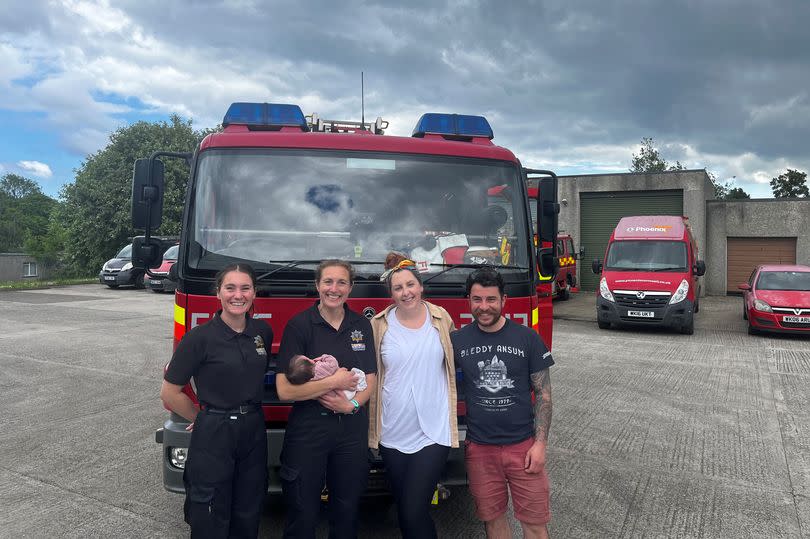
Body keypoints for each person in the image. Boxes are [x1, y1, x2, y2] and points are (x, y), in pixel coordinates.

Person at [160, 263, 273, 539]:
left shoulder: (262, 333)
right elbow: (170, 392)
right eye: (230, 288)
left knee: (249, 504)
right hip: (214, 431)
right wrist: (203, 419)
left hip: (253, 428)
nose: (238, 295)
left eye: (245, 288)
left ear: (254, 293)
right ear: (218, 293)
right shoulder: (199, 338)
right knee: (209, 509)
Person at [275, 260, 377, 539]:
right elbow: (284, 391)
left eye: (341, 282)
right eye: (328, 282)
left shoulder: (361, 326)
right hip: (309, 430)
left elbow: (371, 378)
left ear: (351, 288)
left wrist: (352, 404)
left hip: (351, 432)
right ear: (317, 286)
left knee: (346, 513)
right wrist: (334, 382)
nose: (335, 289)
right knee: (302, 514)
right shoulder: (299, 326)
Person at [451, 268, 554, 539]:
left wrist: (540, 444)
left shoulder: (527, 338)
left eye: (490, 299)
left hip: (523, 447)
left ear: (503, 300)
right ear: (469, 301)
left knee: (534, 523)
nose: (484, 307)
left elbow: (543, 394)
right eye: (477, 300)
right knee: (493, 520)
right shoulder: (457, 341)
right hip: (480, 450)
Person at [368, 254, 458, 539]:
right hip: (393, 430)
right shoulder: (379, 325)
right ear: (391, 293)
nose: (406, 292)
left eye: (410, 285)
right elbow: (370, 372)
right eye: (398, 288)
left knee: (412, 508)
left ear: (420, 286)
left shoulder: (442, 318)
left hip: (434, 429)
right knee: (407, 508)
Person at [286, 353, 367, 399]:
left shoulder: (309, 380)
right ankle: (361, 385)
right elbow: (333, 363)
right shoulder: (319, 367)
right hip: (345, 392)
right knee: (356, 374)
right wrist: (324, 357)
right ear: (309, 360)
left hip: (333, 397)